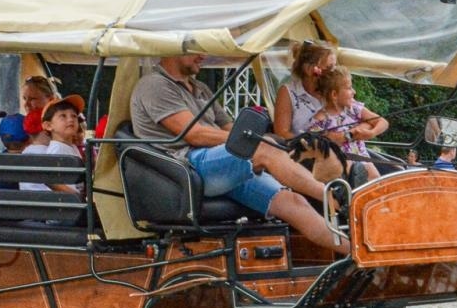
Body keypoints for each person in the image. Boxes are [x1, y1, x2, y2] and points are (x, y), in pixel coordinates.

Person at [130, 55, 347, 253]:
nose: (204, 56)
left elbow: (229, 128)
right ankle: (333, 196)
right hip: (189, 167)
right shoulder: (154, 85)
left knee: (294, 202)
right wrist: (257, 141)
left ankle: (357, 254)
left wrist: (272, 139)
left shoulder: (200, 88)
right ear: (175, 51)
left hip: (222, 162)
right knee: (264, 149)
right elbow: (194, 134)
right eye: (198, 50)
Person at [310, 65, 387, 182]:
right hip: (340, 167)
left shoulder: (354, 109)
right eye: (349, 88)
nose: (354, 92)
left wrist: (372, 132)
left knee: (375, 178)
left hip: (362, 159)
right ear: (334, 95)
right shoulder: (320, 119)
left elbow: (382, 122)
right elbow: (313, 143)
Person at [272, 41, 337, 141]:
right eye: (329, 68)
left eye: (335, 67)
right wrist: (314, 144)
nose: (335, 72)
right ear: (309, 69)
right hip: (304, 152)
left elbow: (360, 113)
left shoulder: (335, 90)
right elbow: (282, 133)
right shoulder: (288, 92)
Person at [21, 97, 85, 196]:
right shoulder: (56, 150)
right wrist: (78, 198)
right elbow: (52, 182)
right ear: (48, 126)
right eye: (63, 116)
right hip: (67, 205)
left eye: (74, 116)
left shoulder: (71, 147)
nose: (70, 119)